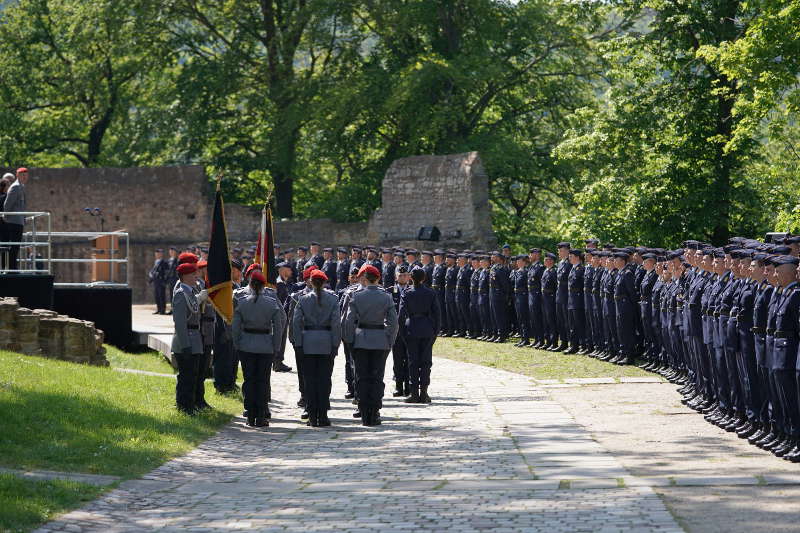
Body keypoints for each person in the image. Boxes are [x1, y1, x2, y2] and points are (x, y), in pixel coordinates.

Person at [342, 264, 398, 426]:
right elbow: (393, 323)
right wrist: (389, 341)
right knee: (377, 377)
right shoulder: (386, 297)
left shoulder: (356, 296)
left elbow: (348, 321)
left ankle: (364, 410)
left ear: (365, 279)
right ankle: (375, 411)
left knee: (361, 377)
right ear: (378, 279)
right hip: (380, 340)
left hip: (360, 340)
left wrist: (350, 340)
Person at [232, 270, 286, 428]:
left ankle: (250, 414)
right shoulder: (271, 303)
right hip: (265, 345)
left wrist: (237, 343)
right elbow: (279, 326)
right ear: (264, 285)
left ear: (249, 284)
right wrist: (276, 346)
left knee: (249, 380)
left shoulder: (241, 301)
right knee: (262, 380)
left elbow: (235, 327)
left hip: (246, 344)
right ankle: (261, 415)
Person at [290, 269, 341, 427]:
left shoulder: (303, 299)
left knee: (310, 380)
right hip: (326, 341)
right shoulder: (333, 299)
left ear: (310, 282)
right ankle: (323, 415)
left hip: (308, 342)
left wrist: (298, 343)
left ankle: (312, 415)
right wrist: (335, 344)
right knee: (325, 380)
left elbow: (296, 323)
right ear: (325, 282)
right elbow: (336, 324)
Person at [398, 267, 442, 403]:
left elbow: (401, 315)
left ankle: (414, 393)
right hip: (427, 329)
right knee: (426, 362)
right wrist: (435, 331)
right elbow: (437, 314)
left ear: (411, 278)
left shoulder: (407, 293)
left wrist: (402, 332)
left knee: (413, 362)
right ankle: (424, 392)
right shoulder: (430, 293)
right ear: (423, 278)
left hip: (411, 328)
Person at [171, 262, 205, 415]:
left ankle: (190, 405)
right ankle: (184, 406)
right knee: (186, 376)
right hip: (186, 341)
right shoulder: (180, 293)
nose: (195, 277)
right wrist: (185, 345)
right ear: (184, 276)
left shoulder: (190, 292)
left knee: (193, 375)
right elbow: (179, 323)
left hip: (195, 338)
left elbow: (194, 307)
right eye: (192, 274)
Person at [390, 265, 411, 397]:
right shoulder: (390, 291)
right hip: (396, 330)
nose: (402, 277)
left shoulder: (412, 290)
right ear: (396, 277)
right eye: (400, 275)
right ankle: (399, 386)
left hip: (409, 330)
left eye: (405, 275)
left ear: (409, 277)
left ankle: (408, 386)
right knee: (397, 359)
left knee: (409, 358)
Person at [2, 167, 28, 272]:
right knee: (13, 246)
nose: (25, 177)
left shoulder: (21, 186)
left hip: (18, 221)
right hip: (14, 222)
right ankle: (11, 269)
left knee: (16, 246)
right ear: (17, 176)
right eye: (23, 175)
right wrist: (6, 217)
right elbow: (7, 205)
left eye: (26, 175)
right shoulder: (15, 187)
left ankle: (13, 268)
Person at [149, 248, 170, 314]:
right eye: (156, 253)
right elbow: (154, 271)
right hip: (156, 281)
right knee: (157, 295)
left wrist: (165, 280)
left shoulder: (164, 262)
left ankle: (162, 310)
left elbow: (166, 272)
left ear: (161, 254)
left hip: (161, 281)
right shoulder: (156, 261)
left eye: (159, 253)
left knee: (161, 295)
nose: (157, 255)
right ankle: (158, 309)